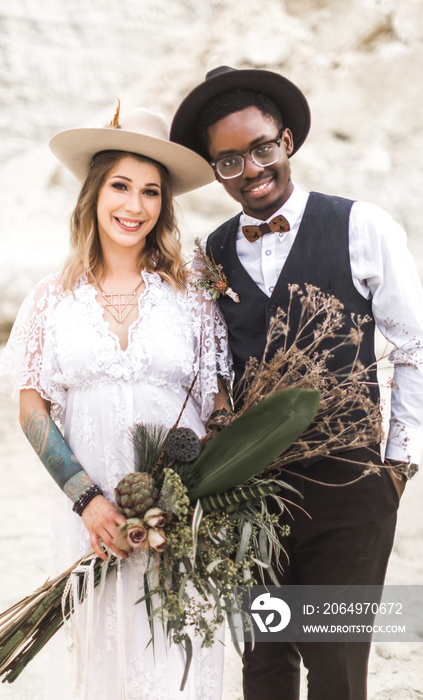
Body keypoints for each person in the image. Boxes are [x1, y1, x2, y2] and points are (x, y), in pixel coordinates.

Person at [170, 66, 423, 700]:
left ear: (286, 140)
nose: (251, 169)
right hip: (253, 494)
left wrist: (399, 464)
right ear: (214, 168)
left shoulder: (362, 225)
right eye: (228, 161)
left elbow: (415, 345)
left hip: (352, 488)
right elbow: (217, 370)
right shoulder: (212, 254)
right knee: (265, 662)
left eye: (261, 148)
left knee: (336, 668)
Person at [0, 106, 231, 700]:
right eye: (120, 186)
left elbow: (220, 407)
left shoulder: (192, 294)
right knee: (109, 670)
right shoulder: (52, 299)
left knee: (178, 660)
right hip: (93, 523)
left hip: (182, 521)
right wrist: (88, 502)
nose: (135, 205)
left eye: (151, 191)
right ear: (93, 195)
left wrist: (191, 495)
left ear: (164, 205)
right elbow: (32, 412)